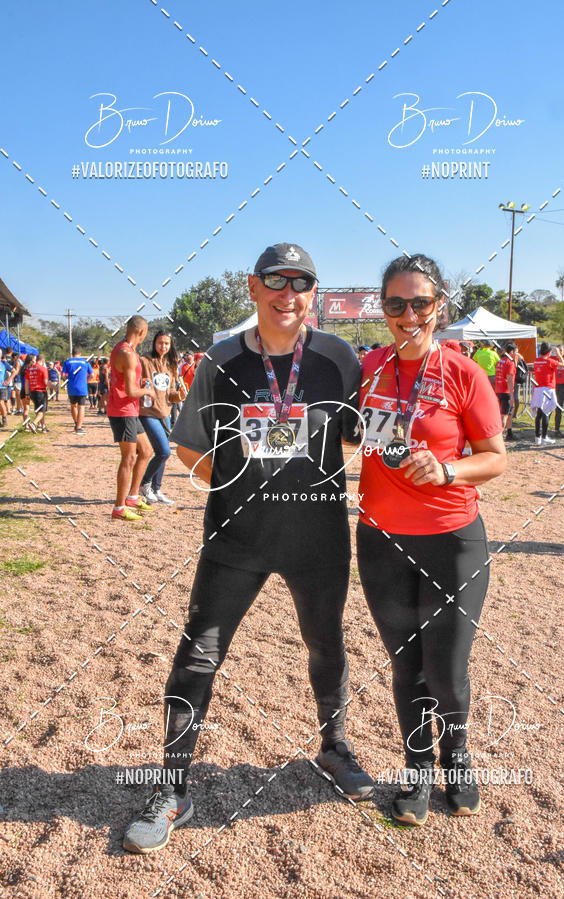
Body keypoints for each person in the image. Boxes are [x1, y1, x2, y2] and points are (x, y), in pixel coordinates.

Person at [123, 242, 374, 855]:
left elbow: (361, 437)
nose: (288, 295)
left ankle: (334, 748)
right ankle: (174, 786)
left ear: (312, 293)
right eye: (275, 282)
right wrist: (232, 475)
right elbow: (187, 446)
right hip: (235, 537)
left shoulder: (341, 357)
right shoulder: (222, 358)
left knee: (326, 645)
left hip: (317, 536)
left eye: (301, 283)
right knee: (197, 654)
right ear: (254, 289)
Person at [356, 254, 506, 826]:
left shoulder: (465, 371)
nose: (409, 314)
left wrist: (447, 471)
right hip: (381, 540)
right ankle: (418, 768)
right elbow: (340, 427)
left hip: (452, 540)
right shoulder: (367, 366)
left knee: (446, 667)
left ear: (439, 306)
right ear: (384, 309)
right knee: (406, 664)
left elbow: (496, 459)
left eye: (421, 302)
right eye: (396, 304)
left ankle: (458, 755)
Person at [106, 316, 156, 521]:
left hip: (129, 410)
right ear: (142, 332)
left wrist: (140, 381)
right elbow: (130, 390)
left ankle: (133, 497)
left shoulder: (125, 349)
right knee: (129, 458)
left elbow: (127, 381)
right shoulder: (127, 353)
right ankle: (119, 508)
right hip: (122, 410)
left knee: (146, 450)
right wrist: (148, 391)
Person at [139, 331, 185, 504]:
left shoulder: (171, 364)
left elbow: (170, 394)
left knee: (163, 453)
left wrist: (179, 395)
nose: (163, 346)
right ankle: (144, 484)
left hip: (165, 413)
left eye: (166, 343)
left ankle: (156, 489)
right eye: (160, 343)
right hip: (148, 412)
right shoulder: (144, 361)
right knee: (164, 452)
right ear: (154, 343)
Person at [531, 342, 564, 446]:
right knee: (546, 412)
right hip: (548, 388)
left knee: (539, 414)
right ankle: (544, 437)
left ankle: (538, 436)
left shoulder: (536, 361)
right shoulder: (550, 361)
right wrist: (558, 354)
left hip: (538, 388)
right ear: (549, 352)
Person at [62, 348, 93, 434]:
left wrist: (68, 380)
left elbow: (63, 375)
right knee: (81, 407)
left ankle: (76, 423)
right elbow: (92, 375)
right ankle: (79, 427)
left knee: (73, 406)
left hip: (71, 387)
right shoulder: (85, 362)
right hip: (82, 387)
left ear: (72, 354)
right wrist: (85, 380)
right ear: (80, 354)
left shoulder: (67, 362)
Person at [494, 342, 517, 440]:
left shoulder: (500, 361)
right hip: (506, 391)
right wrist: (512, 395)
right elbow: (510, 379)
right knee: (504, 414)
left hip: (499, 390)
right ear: (511, 352)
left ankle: (509, 432)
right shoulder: (509, 363)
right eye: (516, 352)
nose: (517, 354)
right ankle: (500, 436)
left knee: (508, 413)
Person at [24, 354, 49, 432]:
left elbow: (27, 382)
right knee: (41, 411)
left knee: (39, 410)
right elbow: (45, 382)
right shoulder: (43, 369)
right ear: (42, 360)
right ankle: (34, 424)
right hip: (41, 391)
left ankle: (43, 426)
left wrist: (27, 393)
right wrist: (53, 386)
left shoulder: (29, 369)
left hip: (32, 391)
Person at [512, 349, 528, 421]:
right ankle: (514, 412)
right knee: (516, 396)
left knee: (514, 396)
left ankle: (513, 412)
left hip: (514, 378)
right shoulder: (519, 356)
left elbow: (517, 366)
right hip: (516, 378)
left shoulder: (516, 357)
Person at [0, 350, 13, 427]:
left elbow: (14, 371)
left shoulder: (3, 363)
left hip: (2, 387)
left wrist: (8, 380)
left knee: (1, 402)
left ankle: (4, 419)